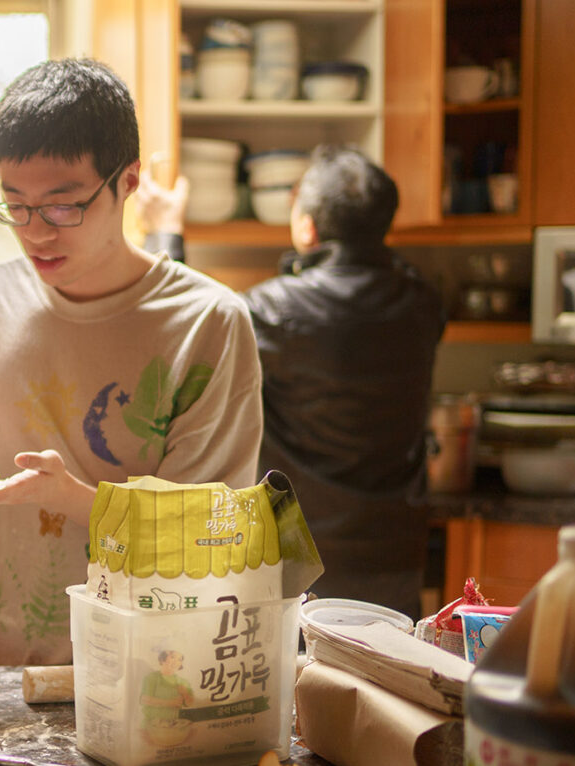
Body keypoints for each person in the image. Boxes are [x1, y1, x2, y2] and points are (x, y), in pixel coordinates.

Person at [0, 58, 263, 668]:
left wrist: (73, 499)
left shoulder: (209, 323)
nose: (35, 231)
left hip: (138, 673)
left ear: (128, 181)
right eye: (14, 204)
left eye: (63, 206)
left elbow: (204, 539)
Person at [140, 145, 446, 619]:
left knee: (300, 683)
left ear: (307, 227)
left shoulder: (274, 312)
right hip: (395, 557)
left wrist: (165, 231)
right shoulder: (425, 306)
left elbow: (188, 330)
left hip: (301, 561)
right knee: (383, 679)